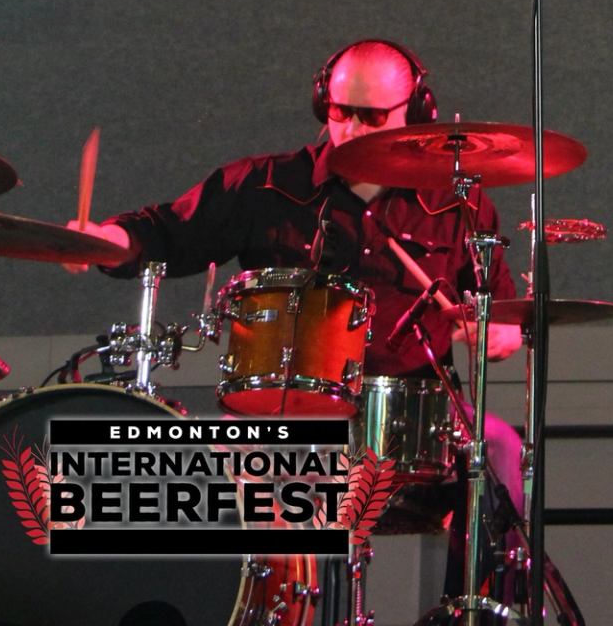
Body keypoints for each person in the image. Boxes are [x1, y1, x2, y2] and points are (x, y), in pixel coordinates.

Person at [67, 39, 526, 525]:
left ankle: (474, 602)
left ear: (414, 112)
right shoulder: (265, 185)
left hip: (411, 417)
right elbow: (164, 233)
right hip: (280, 414)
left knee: (499, 448)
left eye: (370, 117)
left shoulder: (458, 204)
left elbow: (498, 307)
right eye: (339, 111)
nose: (350, 129)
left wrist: (499, 331)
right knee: (202, 481)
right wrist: (104, 240)